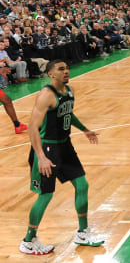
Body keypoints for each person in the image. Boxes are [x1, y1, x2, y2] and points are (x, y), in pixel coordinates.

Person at [20, 59, 103, 255]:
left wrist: (85, 129)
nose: (66, 71)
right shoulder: (46, 95)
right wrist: (40, 157)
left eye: (67, 68)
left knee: (82, 185)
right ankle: (28, 240)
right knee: (46, 195)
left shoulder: (70, 90)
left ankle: (83, 232)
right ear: (51, 74)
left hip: (65, 146)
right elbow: (32, 127)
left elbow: (68, 113)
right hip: (47, 149)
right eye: (61, 69)